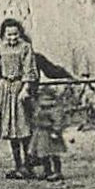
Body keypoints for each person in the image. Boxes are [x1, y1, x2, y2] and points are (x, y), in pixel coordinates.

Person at [0, 18, 37, 178]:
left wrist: (25, 89)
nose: (12, 38)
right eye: (8, 34)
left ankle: (28, 165)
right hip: (5, 89)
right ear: (3, 35)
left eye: (15, 34)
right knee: (11, 130)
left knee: (23, 129)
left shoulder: (25, 48)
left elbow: (29, 70)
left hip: (19, 90)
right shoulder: (0, 48)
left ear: (20, 34)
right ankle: (17, 165)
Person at [25, 49, 72, 181]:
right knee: (42, 154)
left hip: (49, 133)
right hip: (40, 132)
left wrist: (56, 130)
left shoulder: (53, 108)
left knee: (53, 154)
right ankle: (45, 170)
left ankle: (56, 171)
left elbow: (57, 118)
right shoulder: (38, 105)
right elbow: (35, 114)